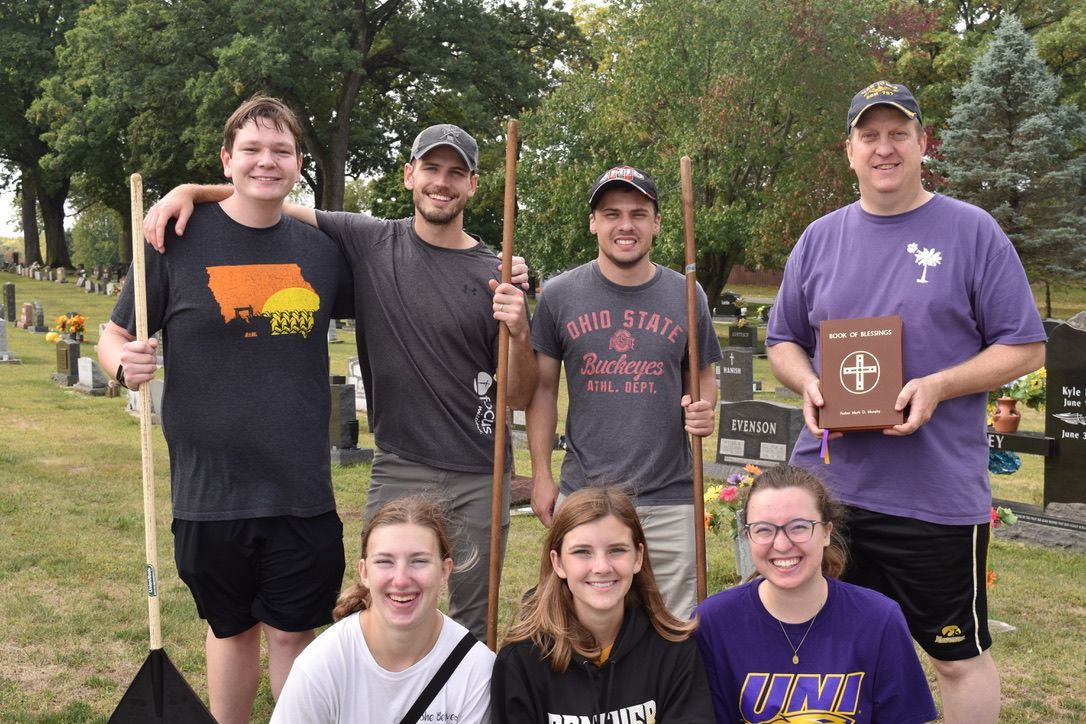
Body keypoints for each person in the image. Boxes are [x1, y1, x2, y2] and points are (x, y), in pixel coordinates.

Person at [143, 123, 537, 642]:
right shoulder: (368, 239)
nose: (442, 182)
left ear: (473, 186)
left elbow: (517, 393)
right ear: (409, 175)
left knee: (473, 618)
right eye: (432, 169)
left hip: (479, 470)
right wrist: (189, 191)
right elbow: (267, 197)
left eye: (456, 173)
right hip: (400, 463)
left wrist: (519, 327)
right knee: (382, 606)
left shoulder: (497, 271)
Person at [765, 80, 1046, 723]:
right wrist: (806, 381)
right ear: (850, 150)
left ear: (923, 143)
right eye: (870, 136)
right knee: (820, 652)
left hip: (934, 495)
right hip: (827, 490)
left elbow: (1025, 347)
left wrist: (939, 384)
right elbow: (784, 339)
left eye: (899, 134)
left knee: (955, 658)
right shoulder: (819, 239)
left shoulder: (971, 231)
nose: (884, 148)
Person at [98, 95, 354, 724]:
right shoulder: (174, 240)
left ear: (299, 165)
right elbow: (112, 333)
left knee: (295, 635)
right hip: (209, 492)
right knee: (231, 630)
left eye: (281, 151)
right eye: (252, 150)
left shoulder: (323, 251)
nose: (266, 162)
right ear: (227, 159)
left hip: (300, 487)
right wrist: (119, 363)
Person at [526, 165, 721, 618]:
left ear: (656, 222)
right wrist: (540, 475)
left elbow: (703, 375)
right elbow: (542, 392)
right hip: (586, 495)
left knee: (673, 627)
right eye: (611, 213)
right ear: (593, 222)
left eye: (638, 213)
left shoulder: (687, 295)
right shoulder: (559, 295)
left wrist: (706, 408)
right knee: (583, 623)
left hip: (670, 497)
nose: (625, 225)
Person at [695, 464, 937, 723]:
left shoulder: (879, 619)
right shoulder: (714, 622)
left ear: (826, 532)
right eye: (764, 529)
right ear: (748, 536)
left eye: (799, 527)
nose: (782, 544)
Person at [492, 486, 714, 722]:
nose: (601, 567)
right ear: (558, 563)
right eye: (582, 552)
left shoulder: (674, 650)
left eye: (616, 550)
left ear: (638, 557)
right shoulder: (522, 660)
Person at [271, 495, 494, 723]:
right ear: (364, 572)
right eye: (385, 561)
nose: (400, 579)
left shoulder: (476, 668)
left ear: (445, 571)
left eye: (419, 561)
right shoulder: (322, 664)